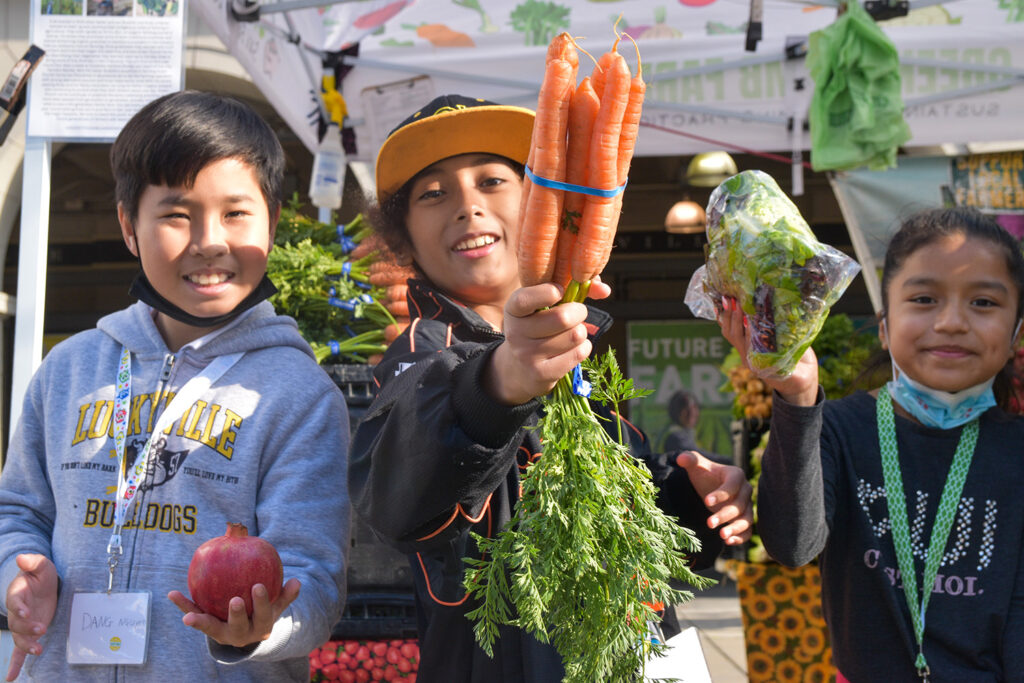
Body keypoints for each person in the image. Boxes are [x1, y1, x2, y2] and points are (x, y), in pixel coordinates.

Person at [348, 94, 754, 682]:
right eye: (432, 193)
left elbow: (630, 549)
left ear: (545, 207)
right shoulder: (419, 355)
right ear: (404, 240)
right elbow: (399, 490)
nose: (467, 206)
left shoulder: (577, 354)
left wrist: (694, 497)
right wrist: (499, 382)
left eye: (492, 180)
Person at [0, 91, 349, 682]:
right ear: (128, 226)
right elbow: (19, 510)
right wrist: (16, 568)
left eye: (236, 213)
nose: (209, 240)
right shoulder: (69, 369)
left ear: (274, 223)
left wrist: (262, 631)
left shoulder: (298, 396)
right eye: (176, 214)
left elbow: (314, 575)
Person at [716, 206, 1024, 682]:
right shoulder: (841, 429)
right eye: (924, 299)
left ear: (1015, 335)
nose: (951, 322)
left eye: (983, 303)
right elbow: (793, 545)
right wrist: (796, 396)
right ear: (884, 325)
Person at [661, 390, 732, 465]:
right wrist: (729, 461)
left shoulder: (687, 433)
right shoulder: (675, 436)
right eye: (685, 407)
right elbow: (696, 455)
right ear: (675, 411)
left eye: (694, 407)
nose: (691, 412)